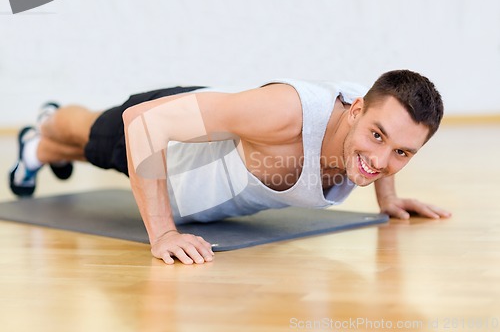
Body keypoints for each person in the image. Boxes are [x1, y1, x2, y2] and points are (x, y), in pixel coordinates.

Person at [9, 69, 452, 265]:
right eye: (377, 137)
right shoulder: (285, 115)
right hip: (175, 147)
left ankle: (37, 150)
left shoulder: (373, 115)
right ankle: (49, 121)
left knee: (81, 150)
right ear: (355, 112)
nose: (380, 161)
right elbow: (141, 123)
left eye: (402, 153)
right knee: (93, 135)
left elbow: (386, 142)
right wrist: (163, 233)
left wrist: (388, 198)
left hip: (197, 182)